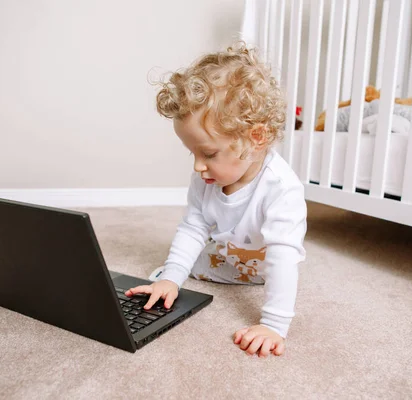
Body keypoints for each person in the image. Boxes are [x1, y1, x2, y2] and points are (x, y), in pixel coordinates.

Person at [126, 43, 307, 357]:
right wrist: (171, 279)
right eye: (192, 153)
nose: (197, 166)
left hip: (261, 268)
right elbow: (194, 227)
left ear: (256, 138)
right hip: (223, 255)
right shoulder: (205, 178)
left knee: (283, 264)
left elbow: (283, 254)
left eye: (208, 153)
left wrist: (274, 326)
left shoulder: (282, 189)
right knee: (175, 267)